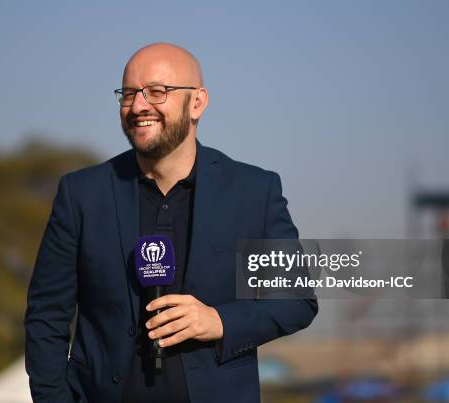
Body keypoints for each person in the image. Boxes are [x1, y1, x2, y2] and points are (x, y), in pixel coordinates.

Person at [24, 43, 318, 403]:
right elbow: (46, 318)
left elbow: (296, 301)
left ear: (197, 102)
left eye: (156, 92)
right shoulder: (81, 194)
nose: (138, 106)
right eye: (128, 94)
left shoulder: (253, 192)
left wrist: (218, 321)